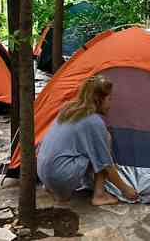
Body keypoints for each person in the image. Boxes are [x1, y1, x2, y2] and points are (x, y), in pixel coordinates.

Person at [37, 74, 138, 206]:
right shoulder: (93, 121)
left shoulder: (68, 108)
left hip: (43, 173)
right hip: (61, 177)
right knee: (104, 141)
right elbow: (106, 163)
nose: (110, 104)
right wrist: (126, 189)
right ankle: (99, 195)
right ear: (98, 99)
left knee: (88, 146)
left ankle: (54, 188)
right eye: (109, 99)